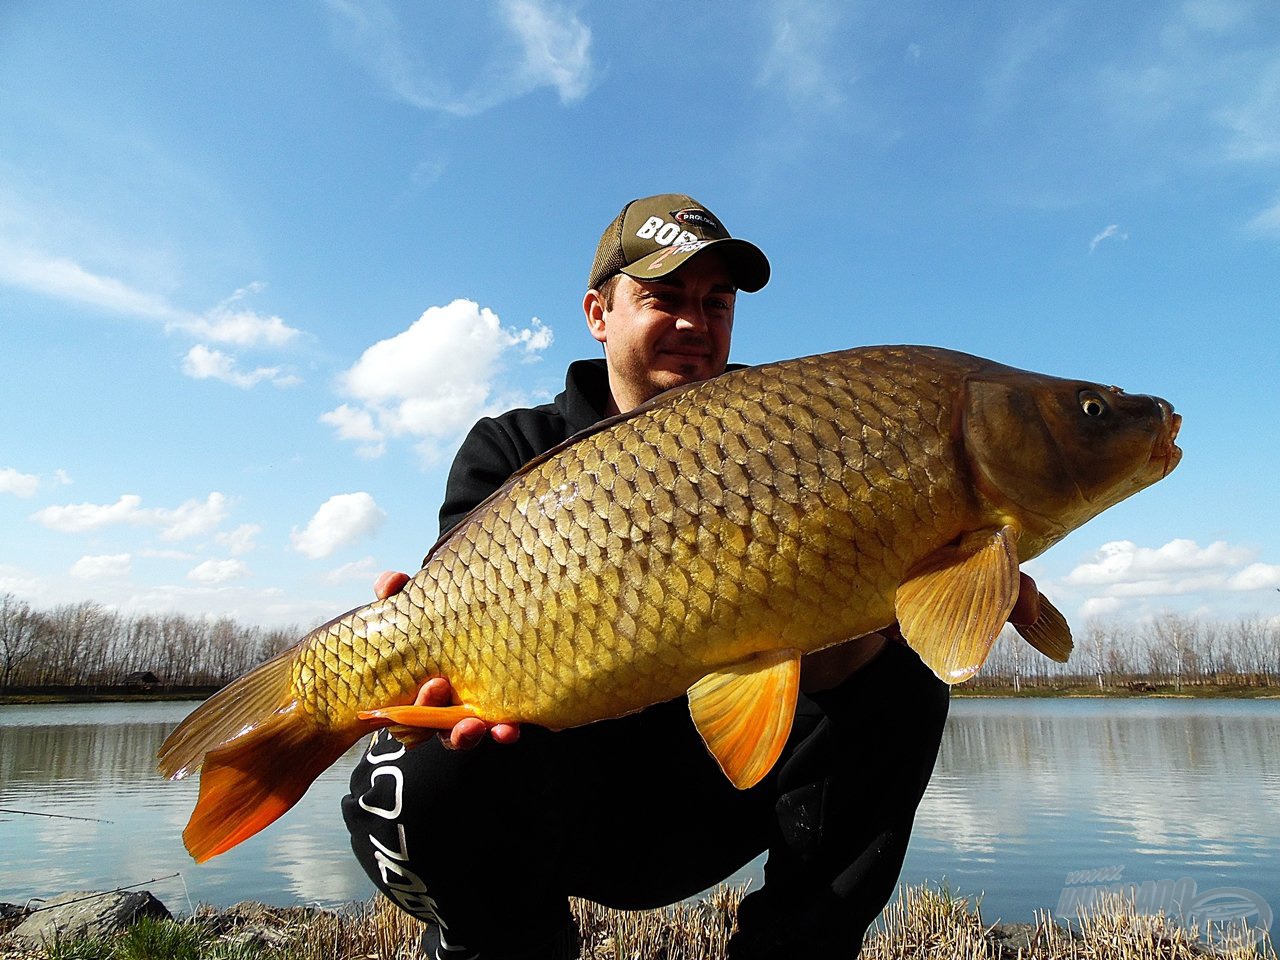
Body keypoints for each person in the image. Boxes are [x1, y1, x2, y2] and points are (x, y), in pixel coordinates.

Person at [343, 193, 1039, 960]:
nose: (694, 323)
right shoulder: (513, 448)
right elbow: (465, 647)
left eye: (716, 302)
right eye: (663, 297)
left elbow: (854, 671)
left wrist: (879, 617)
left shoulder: (791, 429)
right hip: (562, 795)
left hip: (717, 798)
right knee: (408, 773)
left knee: (905, 671)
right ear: (598, 312)